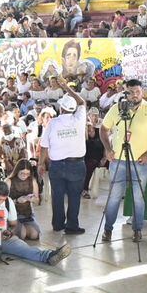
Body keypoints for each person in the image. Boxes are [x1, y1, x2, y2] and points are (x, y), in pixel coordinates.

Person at [98, 80, 147, 243]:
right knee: (114, 196)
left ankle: (137, 229)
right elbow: (103, 129)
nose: (134, 95)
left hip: (140, 161)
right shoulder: (117, 108)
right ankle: (108, 229)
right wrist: (108, 149)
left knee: (138, 196)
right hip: (118, 160)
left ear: (142, 92)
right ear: (125, 92)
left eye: (137, 91)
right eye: (130, 92)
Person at [0, 180, 70, 274]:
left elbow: (13, 224)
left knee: (24, 249)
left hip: (3, 237)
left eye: (2, 200)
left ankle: (49, 256)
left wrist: (9, 232)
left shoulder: (8, 202)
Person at [38, 93, 88, 235]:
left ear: (61, 108)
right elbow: (82, 101)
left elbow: (44, 146)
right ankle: (72, 225)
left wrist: (41, 163)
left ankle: (58, 224)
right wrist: (66, 87)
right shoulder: (79, 119)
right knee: (74, 196)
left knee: (57, 196)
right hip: (77, 164)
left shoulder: (52, 123)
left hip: (57, 165)